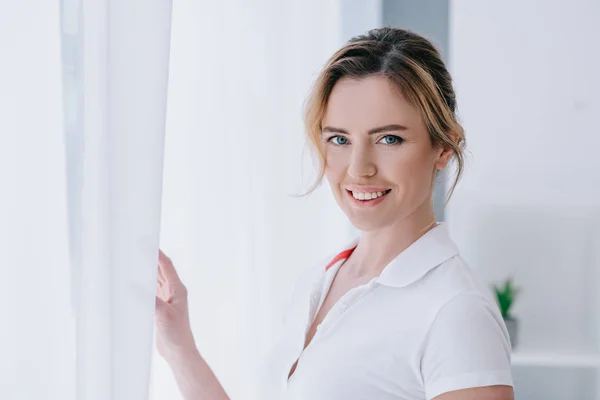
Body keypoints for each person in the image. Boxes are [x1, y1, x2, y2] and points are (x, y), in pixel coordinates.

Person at [154, 27, 514, 400]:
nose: (359, 169)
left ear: (442, 147)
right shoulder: (317, 283)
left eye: (388, 139)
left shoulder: (455, 311)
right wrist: (179, 348)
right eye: (339, 139)